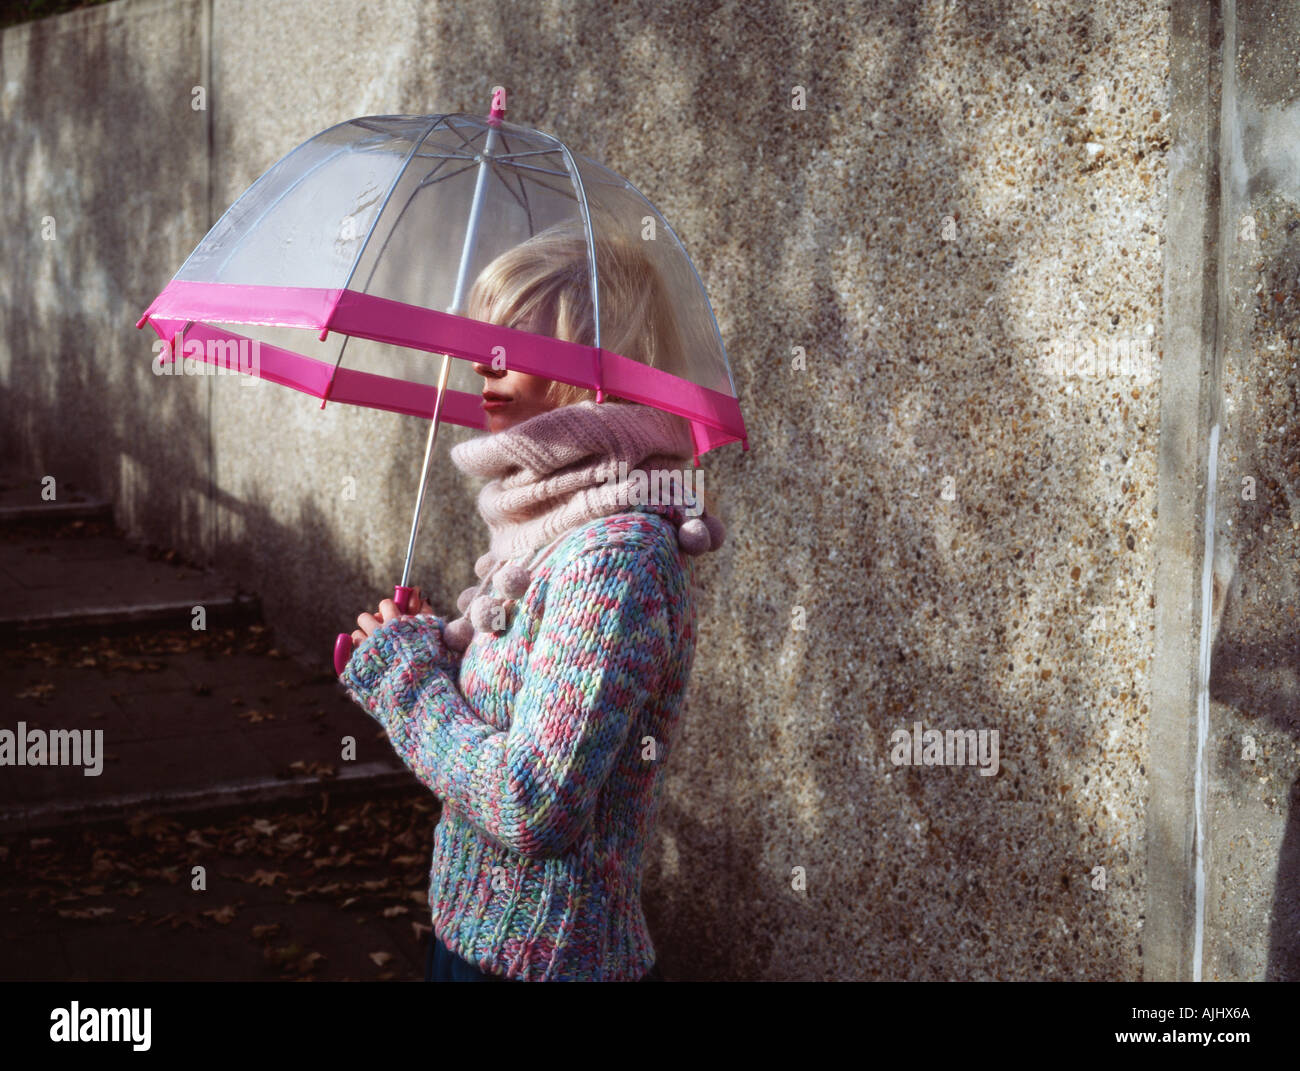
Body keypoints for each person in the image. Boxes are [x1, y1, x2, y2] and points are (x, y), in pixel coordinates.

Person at [338, 218, 725, 981]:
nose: (483, 362)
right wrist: (426, 649)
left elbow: (531, 802)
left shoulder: (615, 559)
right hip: (470, 942)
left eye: (513, 347)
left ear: (593, 371)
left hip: (548, 965)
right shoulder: (548, 529)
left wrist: (408, 686)